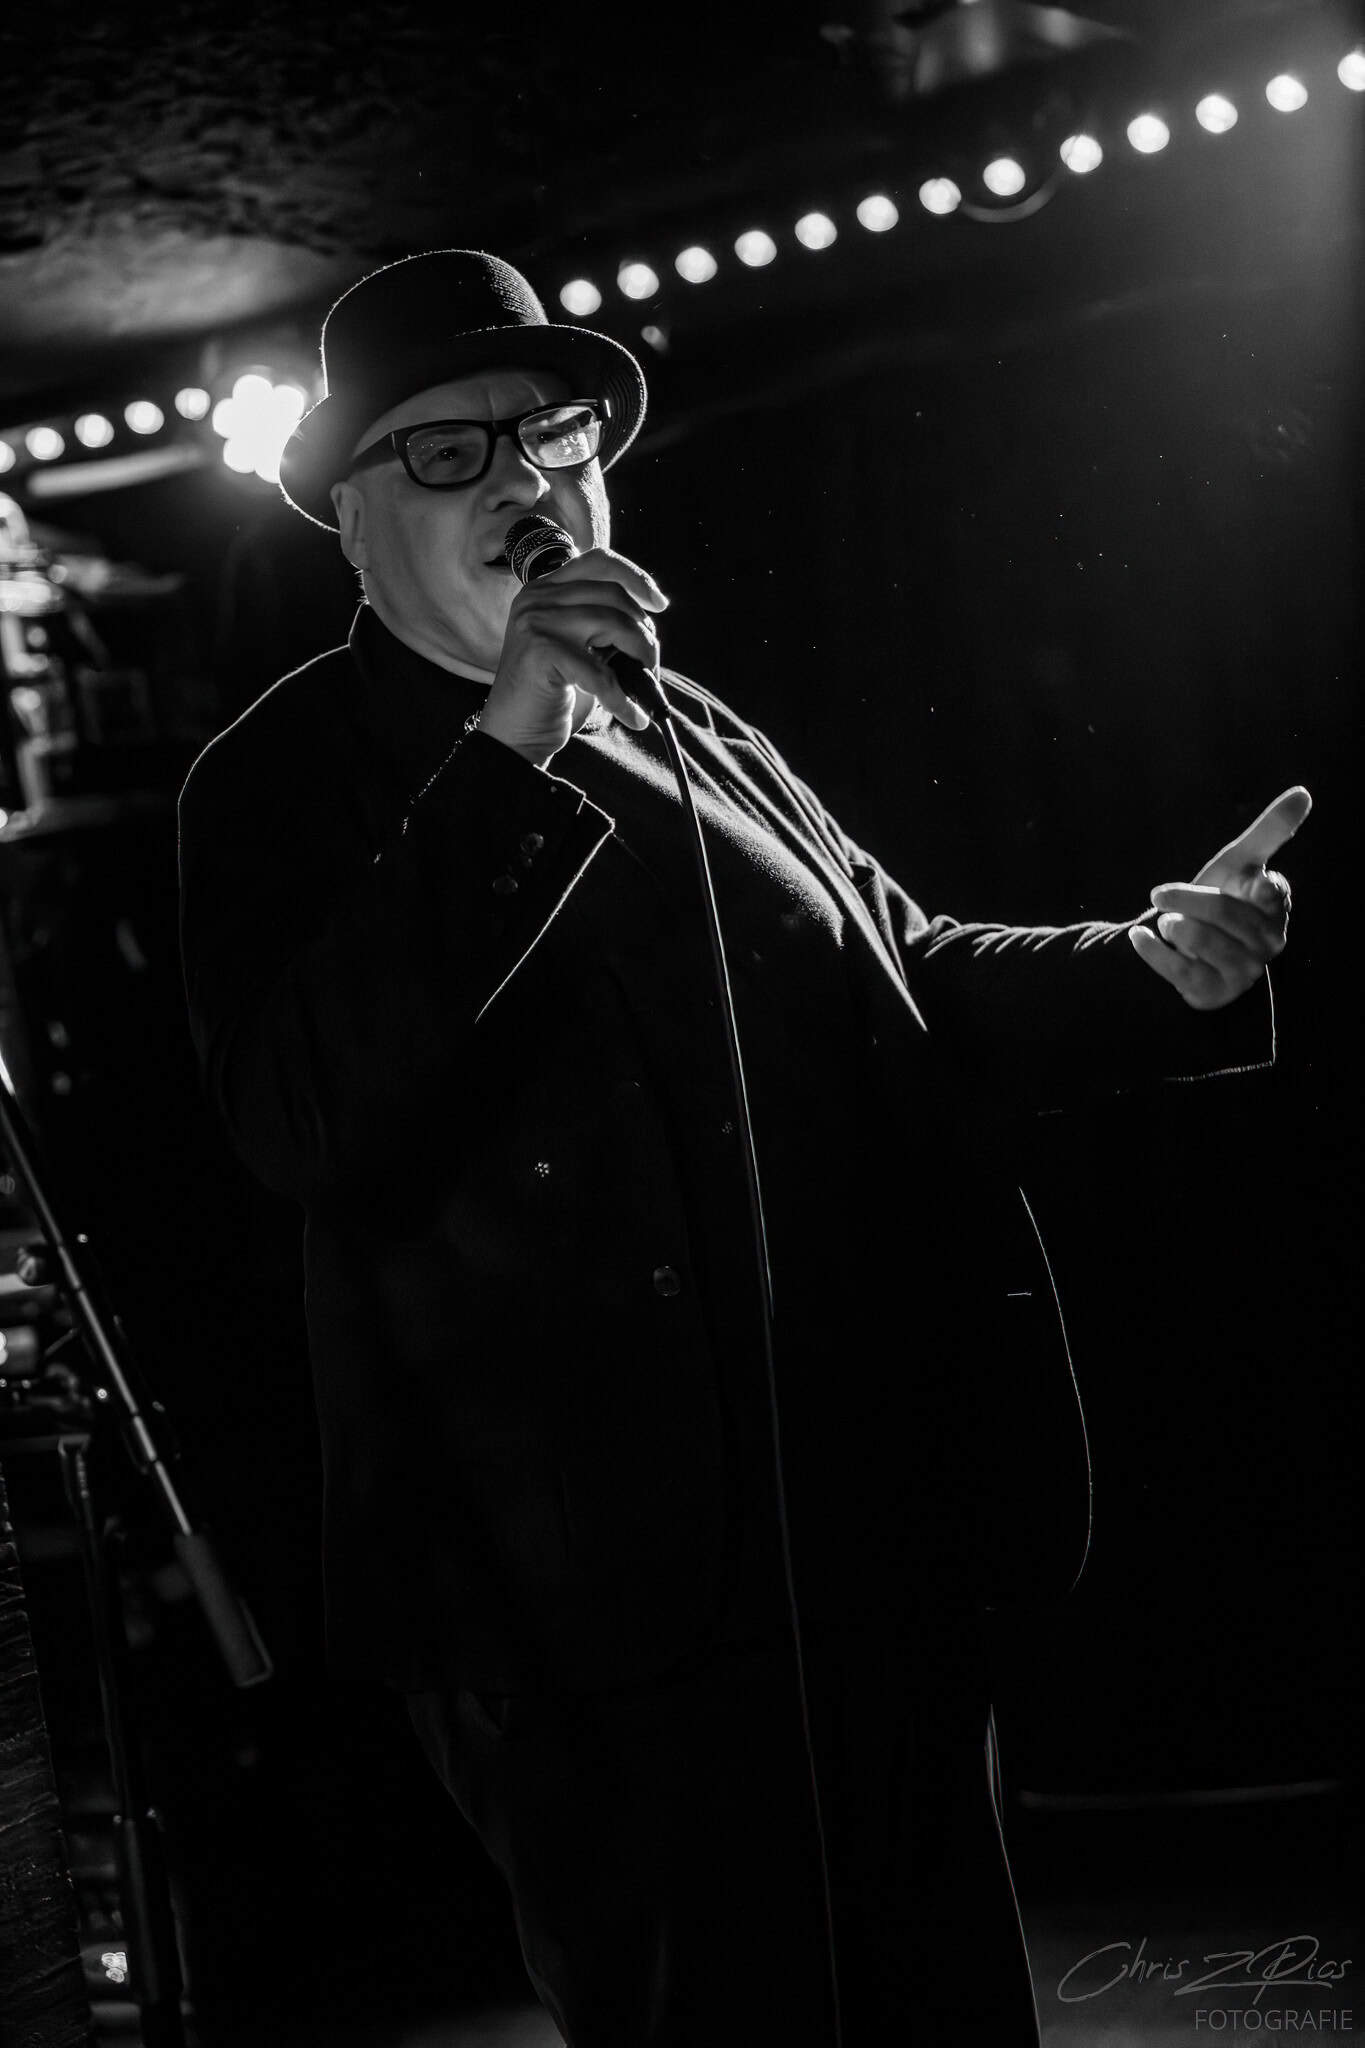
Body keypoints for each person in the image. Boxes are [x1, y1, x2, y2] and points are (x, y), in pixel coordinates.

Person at [177, 249, 1308, 2046]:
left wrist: (1147, 968)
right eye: (452, 451)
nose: (524, 479)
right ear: (352, 520)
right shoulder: (285, 776)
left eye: (551, 436)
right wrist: (516, 741)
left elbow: (904, 978)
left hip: (865, 1531)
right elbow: (302, 1113)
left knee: (940, 2008)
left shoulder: (699, 728)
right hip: (590, 1614)